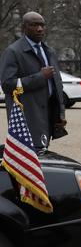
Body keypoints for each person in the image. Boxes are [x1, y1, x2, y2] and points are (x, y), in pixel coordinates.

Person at [0, 12, 67, 151]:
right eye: (34, 25)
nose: (39, 29)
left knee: (43, 160)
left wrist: (60, 114)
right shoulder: (13, 52)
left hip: (47, 117)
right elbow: (7, 85)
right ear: (24, 27)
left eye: (42, 25)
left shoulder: (49, 51)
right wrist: (40, 77)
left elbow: (57, 85)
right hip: (27, 119)